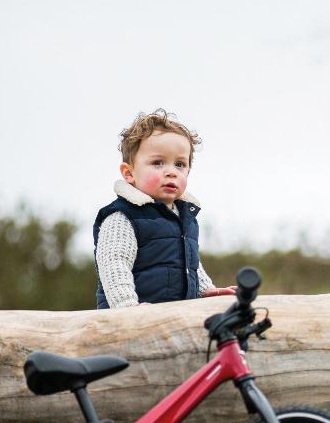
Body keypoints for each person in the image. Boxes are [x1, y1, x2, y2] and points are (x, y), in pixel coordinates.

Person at [93, 109, 234, 308]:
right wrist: (127, 308)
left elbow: (190, 263)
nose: (171, 172)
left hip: (174, 320)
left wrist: (204, 290)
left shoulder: (184, 216)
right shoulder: (123, 216)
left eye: (179, 164)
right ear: (129, 173)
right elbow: (114, 265)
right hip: (130, 323)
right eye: (158, 163)